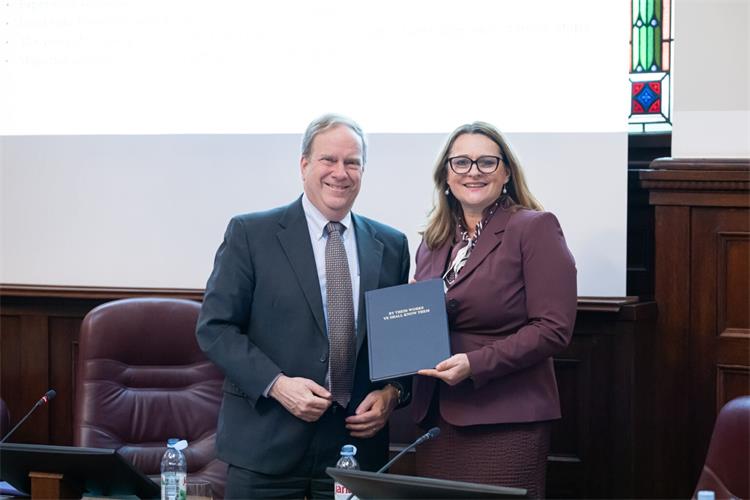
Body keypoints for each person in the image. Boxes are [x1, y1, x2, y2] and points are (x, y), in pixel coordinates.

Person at [196, 114, 410, 499]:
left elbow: (398, 343)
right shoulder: (251, 234)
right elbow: (215, 328)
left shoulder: (391, 245)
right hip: (266, 446)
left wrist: (393, 393)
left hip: (354, 452)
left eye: (352, 162)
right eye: (329, 160)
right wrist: (277, 385)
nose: (340, 173)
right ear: (304, 164)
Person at [410, 122, 577, 498]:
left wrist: (475, 363)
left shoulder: (534, 228)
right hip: (436, 420)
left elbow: (554, 328)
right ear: (446, 175)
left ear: (506, 173)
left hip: (505, 419)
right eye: (461, 162)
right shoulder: (432, 241)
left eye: (486, 162)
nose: (473, 172)